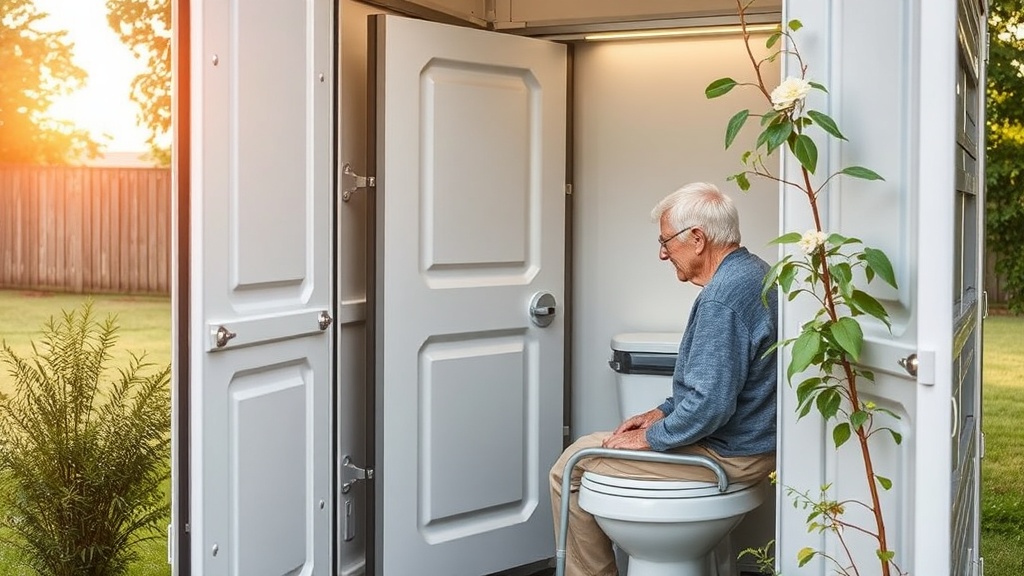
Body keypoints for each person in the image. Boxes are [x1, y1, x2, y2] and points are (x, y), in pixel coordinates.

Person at [549, 182, 778, 576]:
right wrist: (660, 412)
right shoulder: (754, 273)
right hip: (751, 446)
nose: (662, 253)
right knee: (589, 452)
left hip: (730, 455)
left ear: (697, 238)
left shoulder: (722, 299)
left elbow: (709, 405)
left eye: (666, 241)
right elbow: (721, 383)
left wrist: (650, 438)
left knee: (570, 466)